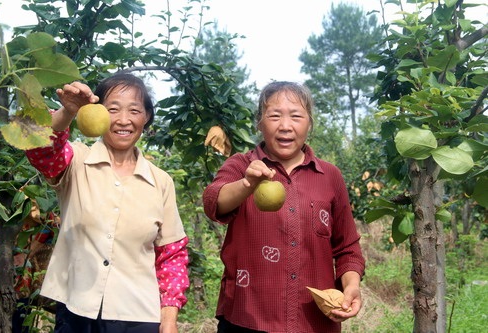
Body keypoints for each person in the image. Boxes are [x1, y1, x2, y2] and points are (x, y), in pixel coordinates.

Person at [25, 73, 189, 333]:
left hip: (137, 315)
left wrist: (169, 319)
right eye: (113, 109)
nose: (124, 120)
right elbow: (38, 147)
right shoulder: (76, 161)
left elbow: (172, 254)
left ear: (146, 117)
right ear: (97, 112)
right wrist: (67, 113)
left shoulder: (161, 182)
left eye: (134, 110)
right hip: (76, 308)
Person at [203, 81, 365, 333]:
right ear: (260, 122)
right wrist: (247, 183)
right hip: (247, 319)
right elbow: (214, 201)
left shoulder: (329, 176)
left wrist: (351, 285)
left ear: (309, 123)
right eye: (274, 116)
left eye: (296, 116)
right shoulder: (241, 165)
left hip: (313, 323)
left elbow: (347, 247)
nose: (285, 126)